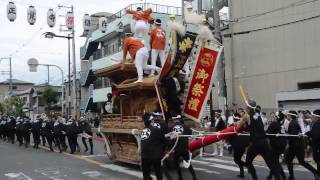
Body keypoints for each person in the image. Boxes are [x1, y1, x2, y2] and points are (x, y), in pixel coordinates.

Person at [236, 100, 282, 180]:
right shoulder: (257, 114)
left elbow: (238, 127)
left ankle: (255, 178)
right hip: (264, 142)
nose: (245, 107)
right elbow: (253, 124)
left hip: (255, 143)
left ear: (248, 108)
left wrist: (241, 122)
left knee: (248, 161)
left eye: (246, 106)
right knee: (270, 163)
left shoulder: (246, 116)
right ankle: (278, 178)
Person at [286, 110, 319, 180]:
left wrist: (285, 135)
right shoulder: (294, 123)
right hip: (297, 146)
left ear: (291, 116)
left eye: (288, 115)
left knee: (290, 160)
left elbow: (293, 136)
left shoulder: (293, 124)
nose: (287, 116)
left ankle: (291, 176)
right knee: (300, 161)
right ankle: (315, 172)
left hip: (295, 147)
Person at [170, 115, 197, 180]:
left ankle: (180, 177)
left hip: (176, 149)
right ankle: (194, 177)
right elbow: (190, 137)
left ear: (174, 120)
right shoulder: (186, 127)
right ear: (180, 119)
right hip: (184, 148)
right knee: (188, 163)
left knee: (176, 164)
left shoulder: (171, 127)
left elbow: (170, 139)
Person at [140, 113, 165, 180]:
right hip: (154, 156)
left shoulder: (143, 130)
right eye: (153, 120)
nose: (154, 121)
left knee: (146, 175)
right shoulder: (156, 130)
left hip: (144, 156)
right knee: (158, 173)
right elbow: (163, 139)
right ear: (151, 121)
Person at [227, 112, 250, 178]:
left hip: (237, 145)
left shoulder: (235, 125)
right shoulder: (243, 124)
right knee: (238, 159)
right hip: (242, 145)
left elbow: (229, 132)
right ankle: (243, 171)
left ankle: (246, 166)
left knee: (236, 160)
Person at [266, 113, 287, 180]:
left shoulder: (273, 124)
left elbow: (267, 134)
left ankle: (279, 177)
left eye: (275, 116)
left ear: (276, 117)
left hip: (275, 146)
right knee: (275, 161)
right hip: (282, 145)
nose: (273, 117)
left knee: (274, 162)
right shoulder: (281, 125)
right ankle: (272, 176)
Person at [306, 109, 320, 175]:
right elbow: (311, 133)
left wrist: (310, 142)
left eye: (313, 116)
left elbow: (316, 136)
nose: (311, 117)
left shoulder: (317, 124)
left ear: (317, 117)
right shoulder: (316, 124)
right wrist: (305, 133)